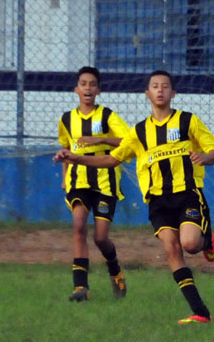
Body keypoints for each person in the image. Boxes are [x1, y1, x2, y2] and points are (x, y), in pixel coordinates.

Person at [54, 70, 214, 324]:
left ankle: (206, 240)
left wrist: (205, 157)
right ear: (147, 94)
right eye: (155, 86)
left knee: (189, 244)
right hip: (157, 201)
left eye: (165, 86)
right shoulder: (139, 132)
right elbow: (112, 159)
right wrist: (75, 157)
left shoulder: (188, 121)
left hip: (187, 194)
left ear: (173, 93)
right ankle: (201, 313)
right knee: (172, 249)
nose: (160, 90)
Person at [58, 66, 130, 302]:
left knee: (100, 238)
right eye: (83, 83)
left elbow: (129, 140)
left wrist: (101, 138)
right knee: (79, 226)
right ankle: (81, 288)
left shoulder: (108, 116)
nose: (87, 88)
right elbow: (67, 149)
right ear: (76, 89)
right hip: (78, 181)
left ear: (98, 90)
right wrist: (64, 177)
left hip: (105, 183)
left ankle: (115, 269)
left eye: (92, 84)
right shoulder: (67, 119)